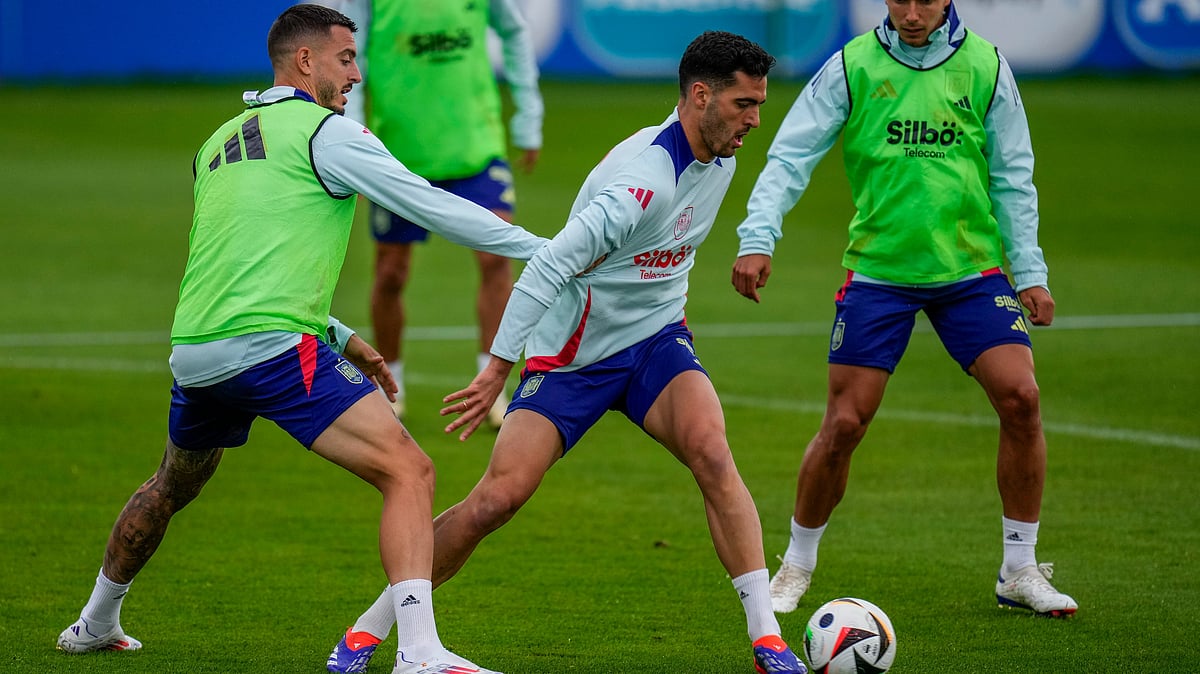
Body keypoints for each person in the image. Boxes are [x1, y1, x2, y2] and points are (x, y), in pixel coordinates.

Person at [54, 6, 547, 674]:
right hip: (270, 348)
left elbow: (240, 262)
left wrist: (338, 333)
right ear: (305, 61)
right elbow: (432, 205)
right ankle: (418, 652)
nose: (356, 73)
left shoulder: (217, 143)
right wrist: (548, 251)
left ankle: (94, 621)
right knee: (411, 471)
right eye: (346, 58)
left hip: (197, 350)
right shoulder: (329, 135)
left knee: (171, 482)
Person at [324, 30, 808, 674]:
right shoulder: (639, 185)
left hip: (656, 342)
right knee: (496, 500)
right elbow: (547, 266)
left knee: (712, 453)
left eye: (759, 106)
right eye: (744, 105)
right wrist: (497, 369)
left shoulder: (721, 157)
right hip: (573, 357)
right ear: (700, 96)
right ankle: (365, 632)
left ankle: (767, 640)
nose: (754, 121)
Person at [731, 0, 1077, 619]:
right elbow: (790, 155)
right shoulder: (852, 65)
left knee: (1022, 398)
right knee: (844, 424)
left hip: (970, 270)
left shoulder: (987, 66)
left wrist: (1030, 273)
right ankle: (796, 565)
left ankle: (1019, 568)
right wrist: (759, 237)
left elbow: (1013, 174)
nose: (912, 13)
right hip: (879, 272)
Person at [310, 0, 544, 426]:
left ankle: (491, 386)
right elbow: (349, 53)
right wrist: (351, 132)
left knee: (495, 258)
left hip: (476, 148)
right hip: (398, 155)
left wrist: (529, 116)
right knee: (391, 272)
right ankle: (390, 387)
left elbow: (514, 30)